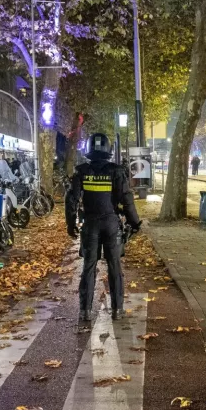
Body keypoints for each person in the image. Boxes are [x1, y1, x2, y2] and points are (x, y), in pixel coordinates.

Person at [66, 133, 141, 322]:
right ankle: (117, 310)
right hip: (111, 224)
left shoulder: (81, 171)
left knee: (88, 267)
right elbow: (127, 199)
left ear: (88, 149)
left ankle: (85, 311)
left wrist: (70, 224)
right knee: (114, 267)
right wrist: (134, 222)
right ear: (109, 149)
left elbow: (71, 200)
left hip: (90, 225)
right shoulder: (116, 171)